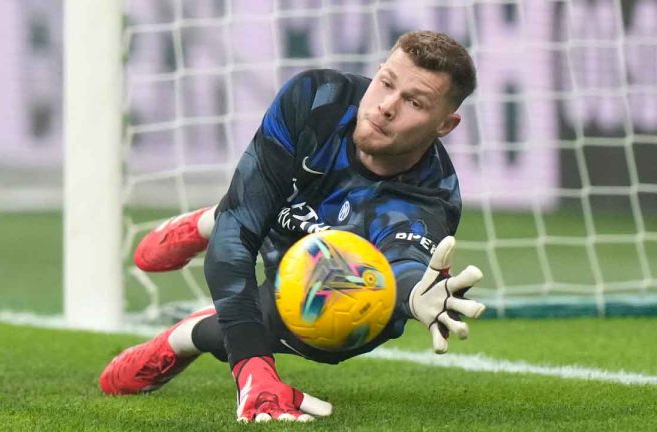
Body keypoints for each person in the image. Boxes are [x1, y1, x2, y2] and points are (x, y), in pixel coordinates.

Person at [99, 30, 486, 423]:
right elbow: (240, 228)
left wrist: (411, 294)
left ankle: (181, 339)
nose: (386, 106)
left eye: (414, 102)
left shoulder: (430, 197)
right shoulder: (317, 98)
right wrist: (252, 372)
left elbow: (403, 262)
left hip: (326, 274)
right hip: (282, 210)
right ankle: (207, 221)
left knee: (350, 322)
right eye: (386, 83)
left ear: (445, 125)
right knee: (241, 218)